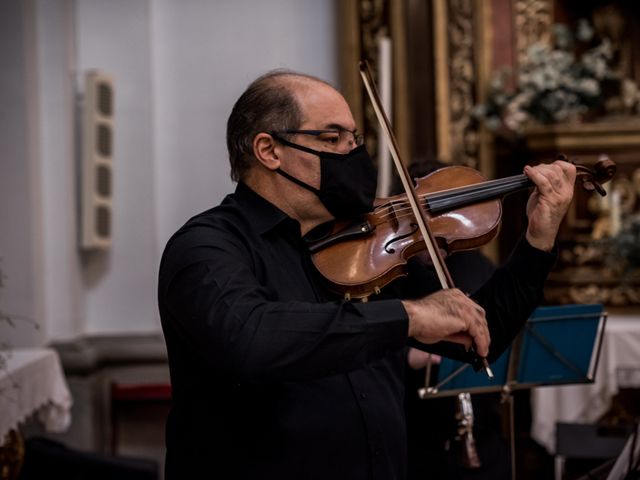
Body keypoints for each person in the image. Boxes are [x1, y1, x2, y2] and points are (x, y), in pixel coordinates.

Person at [157, 69, 576, 479]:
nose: (354, 154)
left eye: (355, 139)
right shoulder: (207, 248)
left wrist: (538, 240)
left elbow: (484, 331)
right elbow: (251, 338)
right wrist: (408, 316)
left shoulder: (363, 250)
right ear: (269, 150)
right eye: (332, 138)